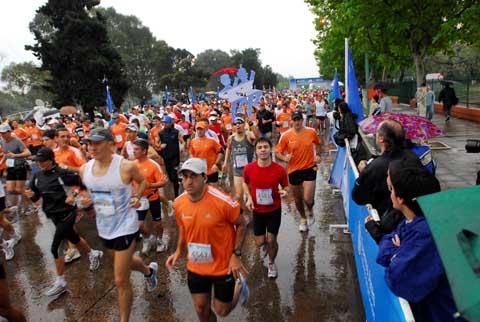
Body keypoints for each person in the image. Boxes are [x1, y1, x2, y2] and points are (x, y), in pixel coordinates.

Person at [80, 128, 158, 322]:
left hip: (126, 225)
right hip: (104, 226)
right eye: (89, 143)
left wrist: (136, 196)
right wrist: (86, 204)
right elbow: (89, 194)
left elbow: (142, 182)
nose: (92, 147)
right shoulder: (85, 169)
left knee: (120, 279)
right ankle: (149, 271)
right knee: (126, 263)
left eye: (97, 143)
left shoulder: (125, 166)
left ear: (111, 144)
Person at [377, 160, 463, 322]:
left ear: (400, 198)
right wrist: (397, 253)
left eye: (391, 189)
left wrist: (397, 253)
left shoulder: (426, 233)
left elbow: (399, 280)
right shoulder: (414, 220)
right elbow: (385, 245)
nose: (390, 193)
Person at [166, 158, 249, 322]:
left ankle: (239, 286)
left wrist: (236, 254)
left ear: (204, 177)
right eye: (185, 177)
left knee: (222, 311)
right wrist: (178, 250)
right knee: (201, 309)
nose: (188, 182)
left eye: (193, 176)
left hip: (223, 265)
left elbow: (242, 224)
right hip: (196, 265)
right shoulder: (178, 203)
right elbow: (183, 227)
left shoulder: (223, 201)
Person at [24, 147, 104, 298]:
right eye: (38, 161)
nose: (39, 163)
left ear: (50, 160)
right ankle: (93, 253)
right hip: (53, 214)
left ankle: (60, 282)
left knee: (55, 248)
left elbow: (82, 184)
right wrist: (30, 196)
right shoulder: (36, 176)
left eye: (42, 161)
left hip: (68, 213)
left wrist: (73, 194)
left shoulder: (63, 174)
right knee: (73, 237)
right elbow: (35, 198)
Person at [243, 138, 289, 278]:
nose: (263, 150)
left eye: (265, 147)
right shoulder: (249, 168)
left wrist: (285, 191)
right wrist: (249, 197)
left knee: (271, 239)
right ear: (256, 151)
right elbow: (245, 183)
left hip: (274, 210)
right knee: (260, 242)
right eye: (260, 147)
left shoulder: (279, 169)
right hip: (257, 210)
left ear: (271, 149)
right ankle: (263, 247)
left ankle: (271, 263)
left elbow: (286, 186)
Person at [275, 111, 322, 232]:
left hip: (310, 168)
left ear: (302, 120)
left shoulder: (311, 132)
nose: (297, 122)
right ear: (291, 121)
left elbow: (318, 144)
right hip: (294, 170)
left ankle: (310, 210)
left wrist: (318, 155)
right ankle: (302, 218)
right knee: (297, 199)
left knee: (308, 199)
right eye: (294, 120)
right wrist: (284, 158)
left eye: (299, 119)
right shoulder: (285, 135)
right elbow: (277, 152)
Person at [132, 139, 169, 254]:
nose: (134, 151)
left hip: (152, 198)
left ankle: (159, 240)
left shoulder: (153, 165)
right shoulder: (132, 165)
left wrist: (151, 185)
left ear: (144, 151)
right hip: (139, 200)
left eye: (136, 149)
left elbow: (163, 182)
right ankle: (148, 239)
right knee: (139, 225)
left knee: (157, 223)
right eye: (134, 149)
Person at [0, 124, 31, 212]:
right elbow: (6, 154)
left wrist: (15, 155)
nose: (2, 135)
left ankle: (28, 207)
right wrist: (1, 162)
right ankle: (29, 194)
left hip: (20, 167)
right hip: (10, 167)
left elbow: (28, 153)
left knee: (19, 189)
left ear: (9, 132)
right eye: (0, 133)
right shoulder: (2, 141)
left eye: (4, 133)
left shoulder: (17, 140)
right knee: (10, 190)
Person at [158, 115, 182, 197]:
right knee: (170, 177)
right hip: (166, 157)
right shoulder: (160, 133)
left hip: (175, 157)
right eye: (164, 123)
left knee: (174, 176)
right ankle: (177, 180)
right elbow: (158, 144)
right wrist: (160, 146)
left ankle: (176, 195)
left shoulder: (176, 132)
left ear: (170, 123)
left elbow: (181, 141)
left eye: (167, 123)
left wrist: (182, 146)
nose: (165, 124)